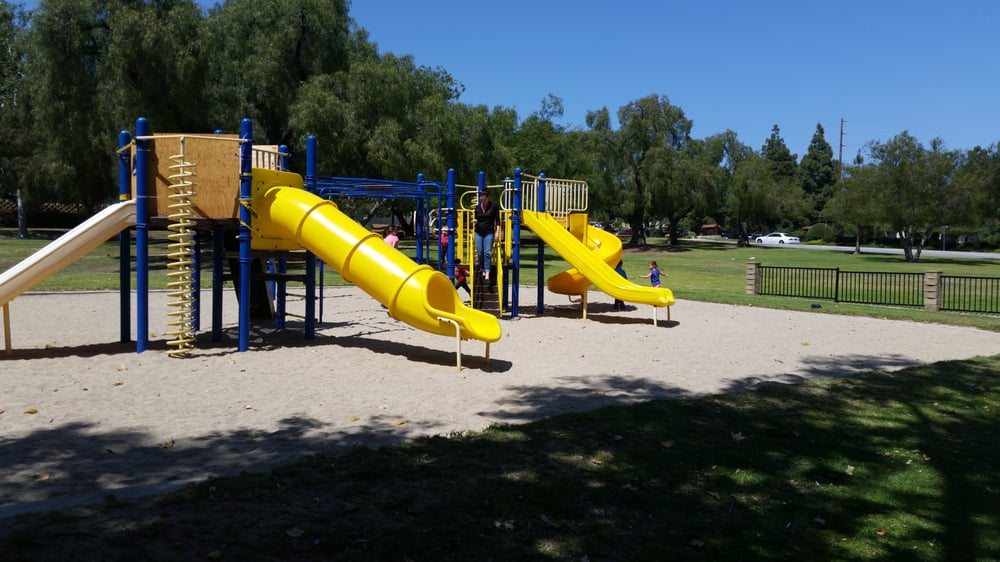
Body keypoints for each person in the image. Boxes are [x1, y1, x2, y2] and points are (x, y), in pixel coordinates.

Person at [473, 189, 500, 281]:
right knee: (480, 252)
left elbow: (498, 220)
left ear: (488, 198)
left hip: (489, 232)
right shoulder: (477, 208)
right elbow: (476, 218)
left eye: (484, 200)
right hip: (478, 232)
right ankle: (482, 269)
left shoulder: (494, 207)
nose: (483, 202)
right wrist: (475, 221)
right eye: (481, 200)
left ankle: (487, 273)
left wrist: (497, 232)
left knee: (487, 253)